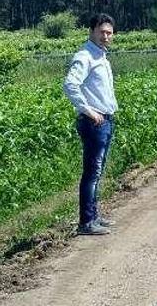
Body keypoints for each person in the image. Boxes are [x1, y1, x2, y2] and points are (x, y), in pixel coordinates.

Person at [63, 13, 118, 236]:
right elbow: (70, 84)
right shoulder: (85, 56)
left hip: (105, 120)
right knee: (92, 173)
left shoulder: (101, 57)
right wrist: (89, 111)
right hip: (94, 122)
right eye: (102, 31)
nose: (105, 36)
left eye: (109, 32)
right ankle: (86, 222)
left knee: (97, 171)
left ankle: (94, 216)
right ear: (91, 31)